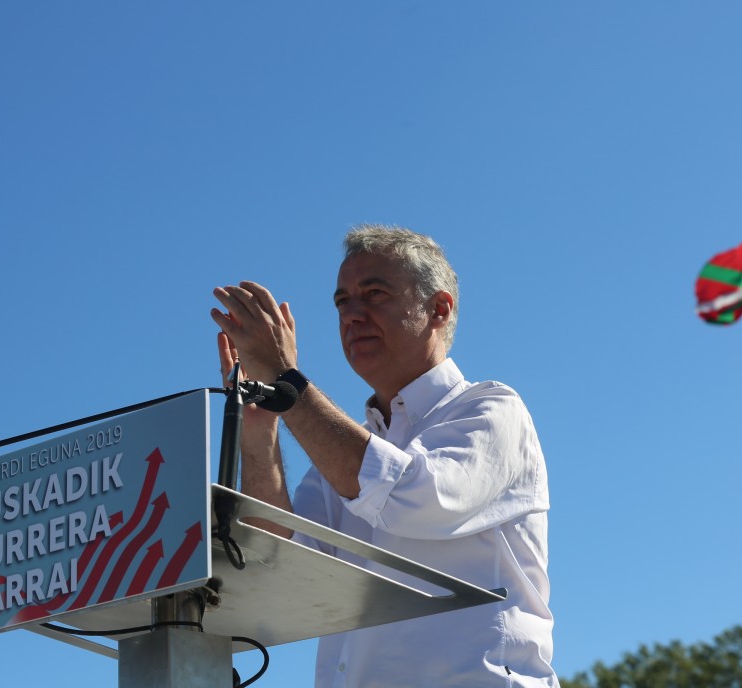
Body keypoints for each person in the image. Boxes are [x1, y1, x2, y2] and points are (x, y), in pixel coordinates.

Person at [210, 225, 555, 687]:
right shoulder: (341, 458)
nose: (352, 315)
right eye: (342, 302)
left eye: (374, 294)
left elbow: (413, 499)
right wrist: (260, 430)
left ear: (439, 309)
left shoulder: (492, 410)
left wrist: (287, 382)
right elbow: (279, 563)